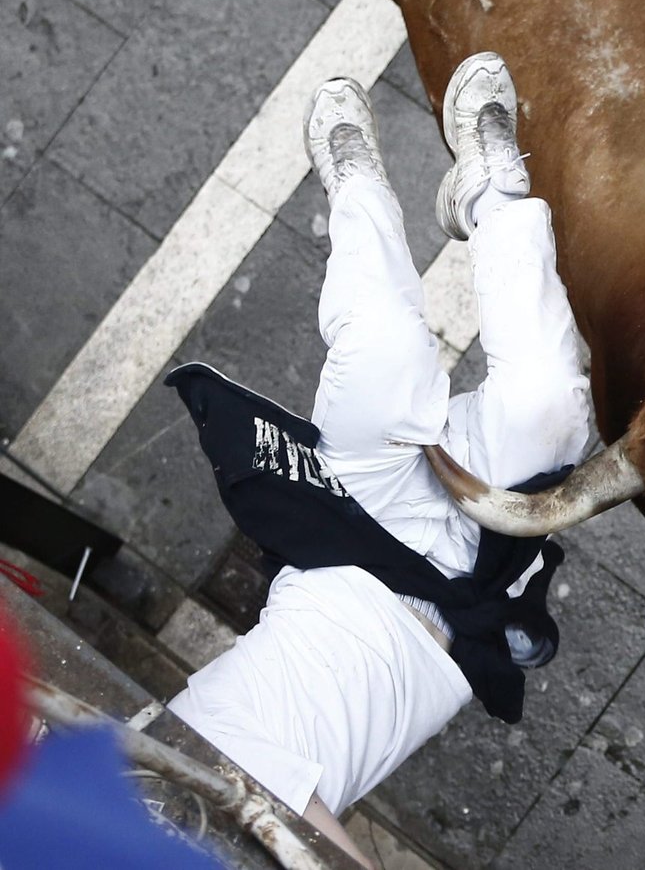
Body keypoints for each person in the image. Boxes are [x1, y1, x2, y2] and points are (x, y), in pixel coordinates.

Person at [165, 53, 590, 866]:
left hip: (361, 532)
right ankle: (490, 190)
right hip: (471, 573)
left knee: (387, 351)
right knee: (554, 409)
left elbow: (273, 808)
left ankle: (355, 179)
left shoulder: (155, 775)